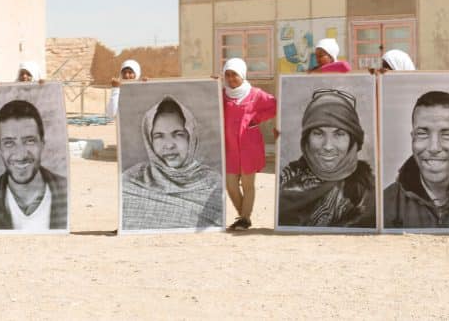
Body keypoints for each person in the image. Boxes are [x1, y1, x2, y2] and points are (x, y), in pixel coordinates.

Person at [383, 91, 449, 229]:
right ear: (412, 138)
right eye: (422, 134)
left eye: (447, 135)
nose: (434, 147)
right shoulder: (387, 202)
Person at [121, 95, 222, 230]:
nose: (169, 145)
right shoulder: (131, 181)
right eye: (159, 136)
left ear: (191, 137)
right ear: (149, 140)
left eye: (178, 134)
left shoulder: (212, 182)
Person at [278, 89, 375, 227]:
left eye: (339, 134)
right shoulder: (285, 180)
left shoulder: (368, 194)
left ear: (352, 141)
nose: (328, 146)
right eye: (318, 133)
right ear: (306, 140)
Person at [0, 100, 67, 230]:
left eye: (29, 141)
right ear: (0, 148)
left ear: (42, 143)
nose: (21, 155)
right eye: (9, 143)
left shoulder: (66, 192)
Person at [221, 58, 277, 231]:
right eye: (227, 75)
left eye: (234, 75)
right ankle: (244, 216)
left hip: (249, 146)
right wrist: (210, 83)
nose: (231, 79)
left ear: (242, 75)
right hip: (229, 147)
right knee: (230, 185)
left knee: (247, 184)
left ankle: (244, 218)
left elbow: (275, 105)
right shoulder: (221, 94)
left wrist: (257, 118)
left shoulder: (255, 94)